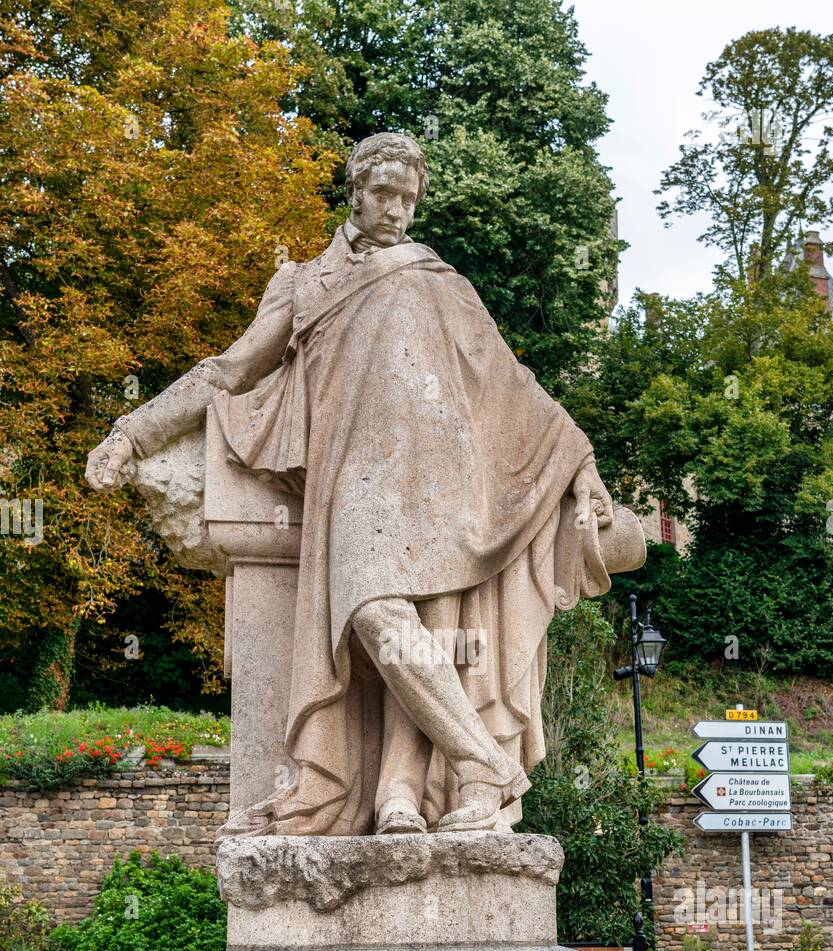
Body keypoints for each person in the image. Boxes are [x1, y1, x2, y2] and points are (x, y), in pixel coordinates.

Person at [86, 132, 618, 836]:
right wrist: (134, 430)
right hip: (353, 480)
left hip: (438, 479)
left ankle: (423, 787)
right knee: (373, 618)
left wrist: (581, 465)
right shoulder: (302, 282)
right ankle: (480, 762)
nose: (396, 210)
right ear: (355, 190)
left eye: (408, 198)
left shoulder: (438, 278)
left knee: (417, 628)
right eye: (383, 194)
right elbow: (230, 370)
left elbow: (508, 383)